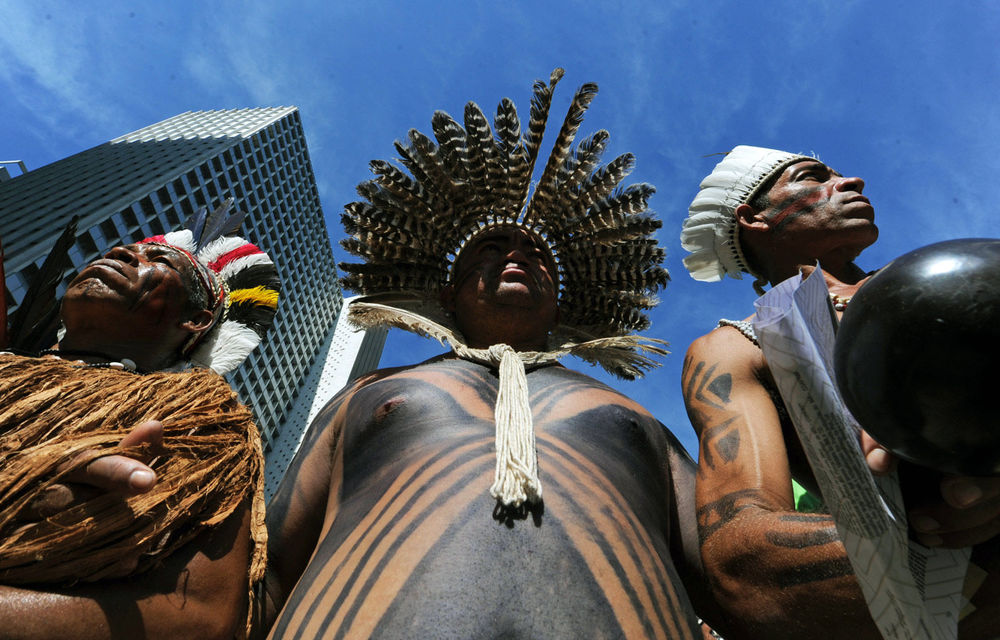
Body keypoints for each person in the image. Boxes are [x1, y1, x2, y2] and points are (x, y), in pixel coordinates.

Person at [261, 69, 724, 639]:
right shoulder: (365, 391)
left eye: (536, 254)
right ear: (448, 292)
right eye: (492, 246)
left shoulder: (639, 418)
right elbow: (269, 568)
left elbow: (731, 579)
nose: (517, 253)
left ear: (559, 305)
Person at [679, 145, 1000, 639]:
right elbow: (744, 558)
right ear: (753, 218)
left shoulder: (952, 281)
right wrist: (928, 537)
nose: (852, 182)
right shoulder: (736, 349)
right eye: (813, 177)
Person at [0, 205, 281, 640]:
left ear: (197, 321)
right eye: (126, 248)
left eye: (160, 261)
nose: (123, 252)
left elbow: (201, 617)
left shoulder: (202, 418)